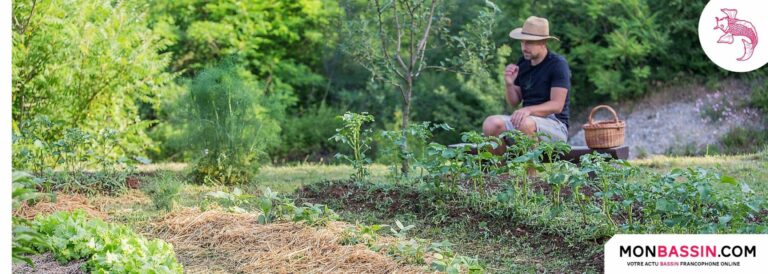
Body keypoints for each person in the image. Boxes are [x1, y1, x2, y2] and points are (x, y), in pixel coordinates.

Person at [482, 16, 572, 155]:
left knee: (525, 123)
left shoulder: (558, 64)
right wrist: (509, 84)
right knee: (491, 123)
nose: (524, 48)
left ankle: (532, 176)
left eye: (529, 43)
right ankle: (500, 175)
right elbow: (514, 102)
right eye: (522, 42)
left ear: (543, 42)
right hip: (526, 123)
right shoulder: (523, 63)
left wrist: (528, 110)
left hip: (555, 126)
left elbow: (557, 105)